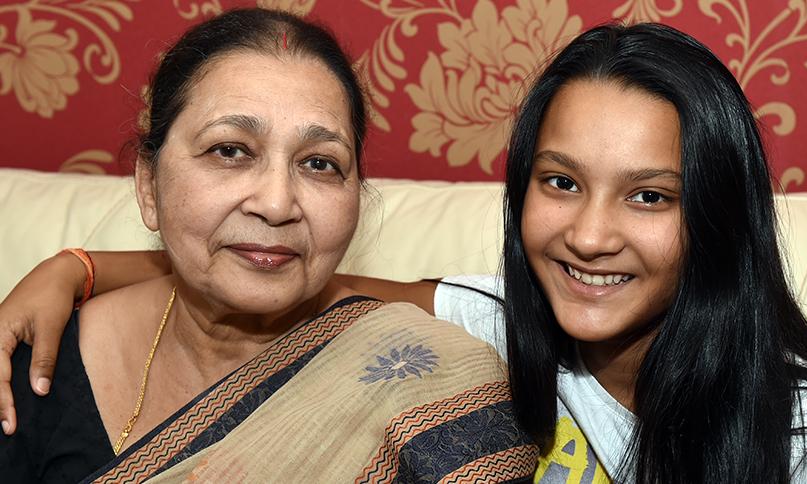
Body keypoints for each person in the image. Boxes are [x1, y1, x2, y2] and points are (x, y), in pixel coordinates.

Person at [2, 22, 807, 483]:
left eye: (650, 196)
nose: (591, 235)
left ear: (715, 215)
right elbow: (290, 273)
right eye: (560, 182)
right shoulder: (497, 319)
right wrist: (72, 267)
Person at [0, 8, 538, 483]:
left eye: (319, 163)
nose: (278, 203)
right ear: (148, 186)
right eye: (230, 150)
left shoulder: (432, 380)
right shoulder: (34, 359)